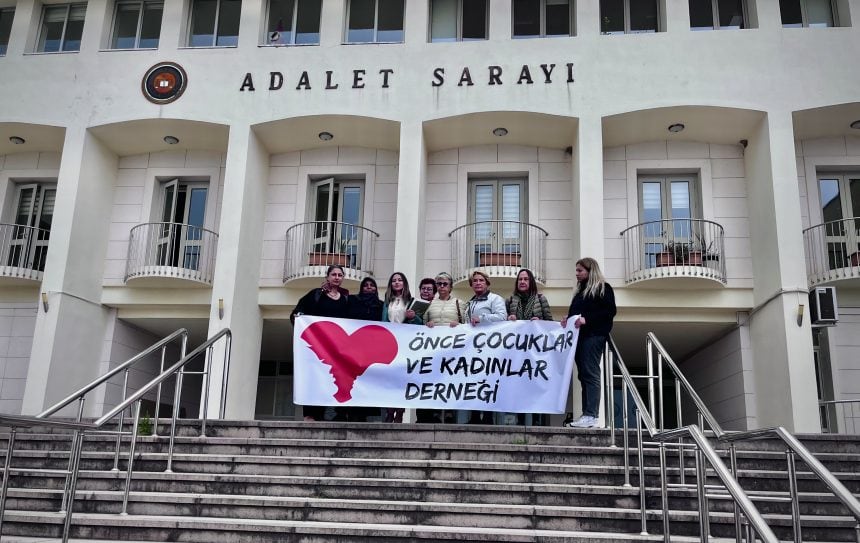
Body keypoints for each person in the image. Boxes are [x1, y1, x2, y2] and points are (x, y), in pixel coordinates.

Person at [561, 257, 617, 429]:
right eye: (576, 270)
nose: (577, 274)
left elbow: (610, 311)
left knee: (590, 373)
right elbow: (578, 314)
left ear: (590, 271)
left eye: (580, 270)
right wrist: (568, 319)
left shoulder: (603, 288)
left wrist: (587, 320)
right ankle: (587, 414)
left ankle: (591, 415)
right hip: (580, 338)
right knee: (584, 375)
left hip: (594, 336)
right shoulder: (580, 292)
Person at [290, 265, 349, 422]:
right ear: (327, 277)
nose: (337, 277)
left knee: (333, 378)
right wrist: (298, 317)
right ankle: (310, 414)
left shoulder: (345, 299)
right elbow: (298, 313)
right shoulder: (316, 294)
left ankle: (333, 413)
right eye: (334, 274)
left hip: (336, 349)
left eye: (340, 275)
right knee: (314, 378)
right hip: (317, 347)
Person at [504, 268, 553, 426]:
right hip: (517, 351)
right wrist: (509, 319)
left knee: (534, 384)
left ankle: (536, 420)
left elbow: (550, 323)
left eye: (526, 279)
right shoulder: (510, 300)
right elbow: (502, 326)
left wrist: (540, 322)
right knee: (517, 384)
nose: (523, 282)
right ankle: (517, 419)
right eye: (520, 279)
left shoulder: (540, 299)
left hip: (535, 351)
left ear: (531, 282)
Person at [465, 270, 506, 424]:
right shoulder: (470, 303)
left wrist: (482, 318)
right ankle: (475, 416)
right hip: (473, 348)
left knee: (488, 380)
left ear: (487, 283)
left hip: (490, 347)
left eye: (481, 280)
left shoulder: (495, 299)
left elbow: (502, 317)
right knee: (473, 380)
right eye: (475, 281)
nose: (478, 283)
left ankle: (488, 417)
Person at [381, 272, 422, 422]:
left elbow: (420, 323)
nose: (397, 282)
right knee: (389, 379)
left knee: (402, 380)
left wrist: (413, 317)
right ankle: (389, 411)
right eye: (394, 280)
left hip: (406, 344)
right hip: (389, 343)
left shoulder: (411, 301)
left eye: (400, 280)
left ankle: (400, 412)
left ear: (404, 283)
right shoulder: (387, 302)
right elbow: (383, 321)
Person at [344, 276, 384, 422]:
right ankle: (350, 412)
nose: (368, 287)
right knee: (353, 378)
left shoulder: (381, 305)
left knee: (368, 378)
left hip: (372, 350)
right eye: (366, 285)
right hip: (354, 348)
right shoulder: (352, 301)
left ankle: (363, 414)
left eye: (372, 285)